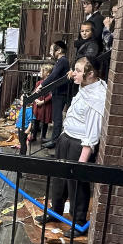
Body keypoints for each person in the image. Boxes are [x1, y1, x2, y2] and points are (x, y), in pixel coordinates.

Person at [39, 56, 107, 232]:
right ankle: (56, 212)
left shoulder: (97, 97)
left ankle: (78, 222)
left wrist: (82, 161)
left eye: (77, 70)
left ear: (90, 74)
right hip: (66, 137)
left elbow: (92, 135)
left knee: (76, 183)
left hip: (79, 144)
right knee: (59, 179)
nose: (72, 73)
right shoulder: (85, 85)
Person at [41, 40, 71, 149]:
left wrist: (42, 85)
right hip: (58, 92)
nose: (50, 52)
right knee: (55, 117)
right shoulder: (61, 61)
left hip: (60, 93)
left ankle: (54, 141)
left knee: (57, 118)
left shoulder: (62, 61)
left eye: (51, 49)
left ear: (58, 50)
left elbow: (53, 75)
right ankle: (54, 138)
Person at [31, 63, 54, 143]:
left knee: (45, 121)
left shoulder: (51, 83)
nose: (40, 73)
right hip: (38, 104)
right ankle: (33, 135)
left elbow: (51, 95)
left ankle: (43, 136)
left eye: (41, 71)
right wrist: (36, 99)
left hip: (45, 104)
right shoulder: (39, 82)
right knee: (35, 120)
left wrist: (43, 101)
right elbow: (35, 91)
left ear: (47, 73)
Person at [15, 91, 34, 156]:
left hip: (24, 129)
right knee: (21, 141)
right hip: (20, 127)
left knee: (23, 143)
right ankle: (21, 152)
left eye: (22, 101)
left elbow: (31, 122)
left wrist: (28, 130)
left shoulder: (29, 110)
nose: (20, 102)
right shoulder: (23, 107)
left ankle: (23, 154)